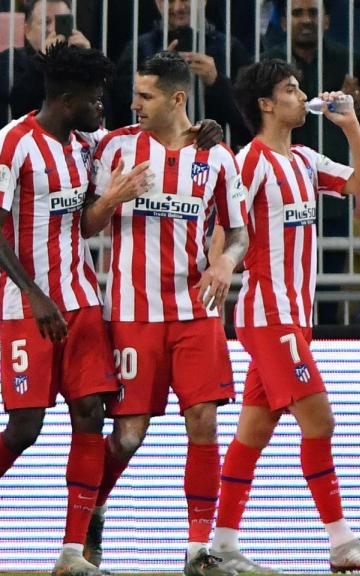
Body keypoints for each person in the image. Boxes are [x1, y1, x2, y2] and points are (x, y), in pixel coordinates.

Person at [0, 44, 126, 576]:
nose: (101, 106)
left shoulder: (86, 144)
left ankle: (71, 552)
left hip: (82, 299)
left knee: (90, 414)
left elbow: (86, 222)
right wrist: (34, 293)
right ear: (67, 99)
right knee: (26, 427)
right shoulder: (12, 143)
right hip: (28, 306)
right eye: (94, 97)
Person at [211, 58, 360, 574]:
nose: (302, 95)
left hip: (295, 319)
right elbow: (223, 230)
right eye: (291, 89)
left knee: (253, 432)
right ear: (266, 104)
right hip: (269, 317)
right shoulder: (249, 163)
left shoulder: (307, 160)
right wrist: (218, 264)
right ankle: (341, 542)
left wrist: (352, 124)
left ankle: (220, 546)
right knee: (320, 419)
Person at [85, 51, 249, 576]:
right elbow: (87, 225)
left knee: (203, 423)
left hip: (196, 313)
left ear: (178, 99)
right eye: (135, 94)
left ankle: (198, 549)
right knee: (128, 435)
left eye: (146, 96)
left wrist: (224, 260)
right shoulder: (115, 147)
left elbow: (240, 230)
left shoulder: (216, 156)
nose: (134, 104)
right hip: (133, 314)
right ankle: (93, 510)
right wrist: (112, 198)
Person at [264, 0, 360, 324]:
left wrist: (357, 110)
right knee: (284, 292)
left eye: (313, 13)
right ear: (283, 23)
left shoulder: (346, 60)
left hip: (333, 197)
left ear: (327, 20)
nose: (306, 20)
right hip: (281, 196)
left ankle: (322, 353)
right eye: (297, 13)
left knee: (326, 296)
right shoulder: (271, 64)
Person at [109, 0, 251, 146]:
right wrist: (154, 75)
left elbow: (249, 121)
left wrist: (216, 81)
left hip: (212, 154)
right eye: (170, 1)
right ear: (158, 3)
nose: (178, 8)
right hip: (150, 154)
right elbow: (120, 111)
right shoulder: (139, 48)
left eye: (186, 0)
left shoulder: (228, 48)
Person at [0, 0, 90, 134]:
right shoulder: (10, 59)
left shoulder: (76, 65)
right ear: (27, 30)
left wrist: (89, 62)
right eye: (46, 22)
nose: (54, 30)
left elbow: (102, 111)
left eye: (63, 22)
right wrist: (44, 60)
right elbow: (14, 107)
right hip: (22, 144)